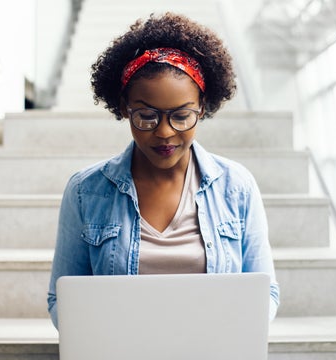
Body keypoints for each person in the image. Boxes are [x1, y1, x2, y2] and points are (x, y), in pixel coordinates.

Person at [47, 12, 279, 328]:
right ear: (125, 107)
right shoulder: (85, 191)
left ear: (202, 107)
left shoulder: (237, 186)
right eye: (146, 115)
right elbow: (62, 300)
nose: (165, 133)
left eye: (182, 116)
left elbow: (266, 293)